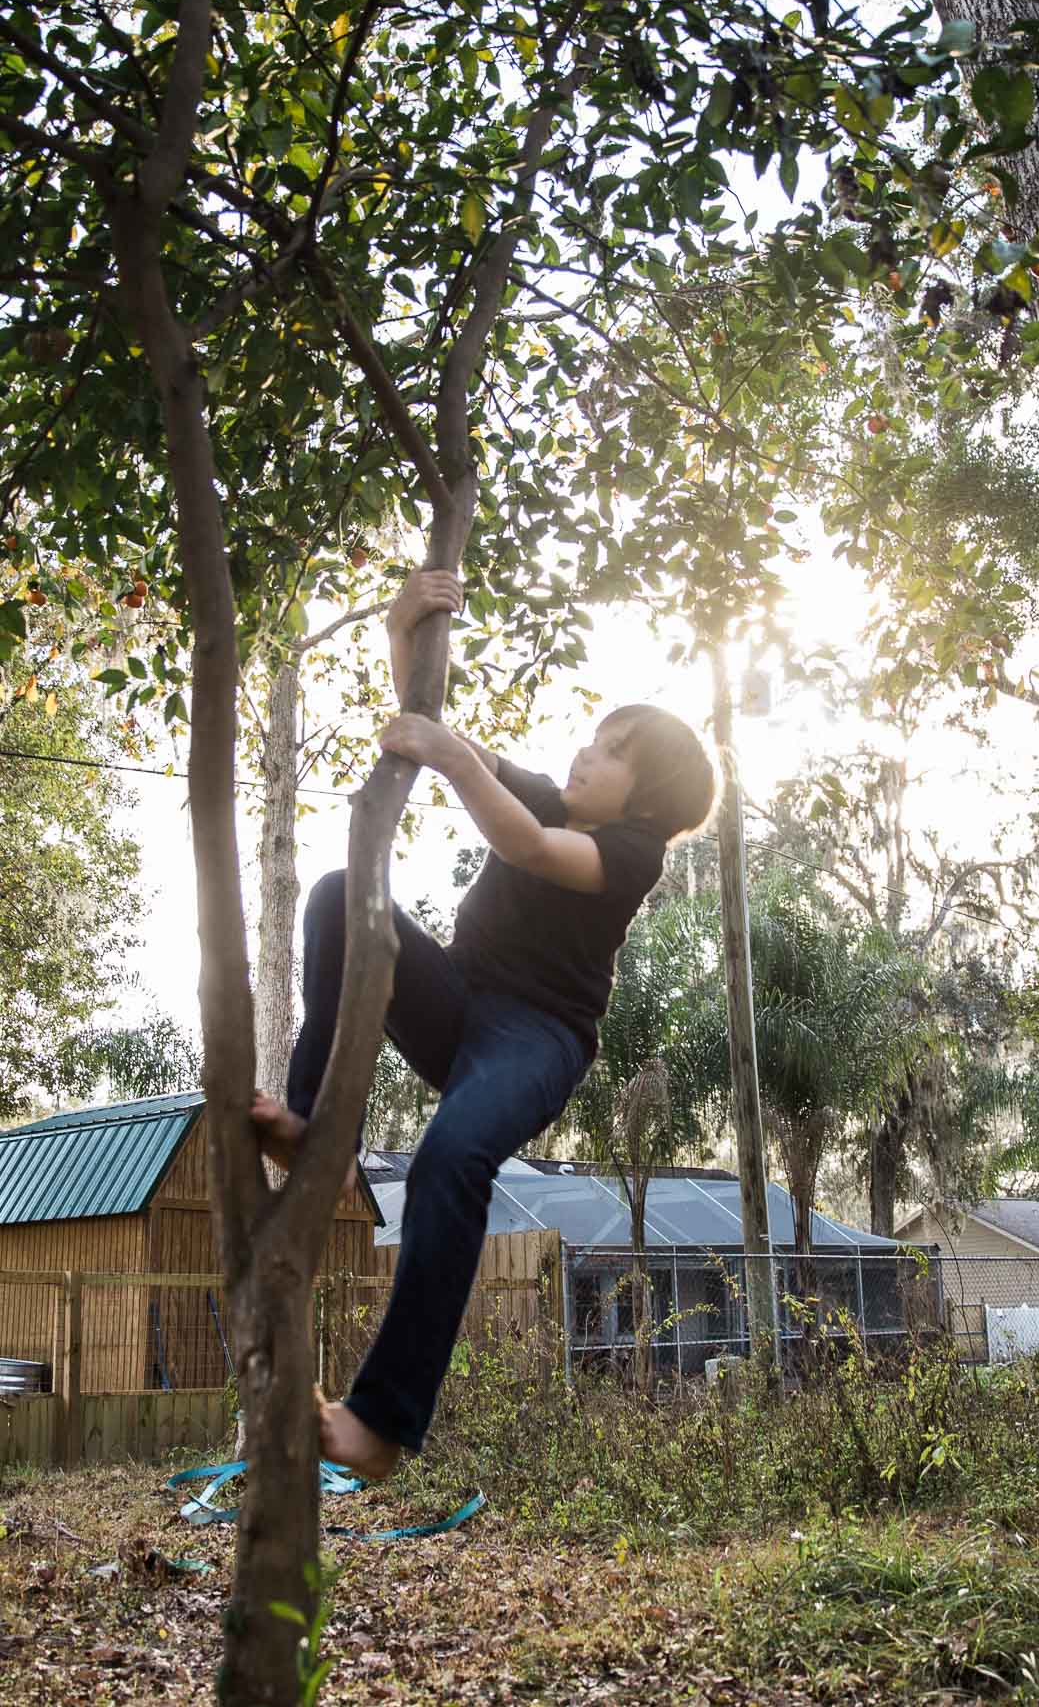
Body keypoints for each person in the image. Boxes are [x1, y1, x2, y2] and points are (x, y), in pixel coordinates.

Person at [251, 570, 716, 1478]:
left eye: (612, 751)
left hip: (534, 1040)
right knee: (347, 896)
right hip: (456, 1003)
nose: (586, 753)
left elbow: (529, 845)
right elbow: (434, 733)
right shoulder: (546, 791)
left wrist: (458, 762)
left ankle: (382, 1423)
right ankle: (315, 1130)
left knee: (450, 1160)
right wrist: (401, 634)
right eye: (591, 737)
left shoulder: (631, 854)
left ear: (647, 800)